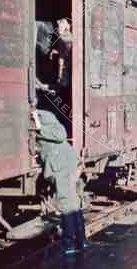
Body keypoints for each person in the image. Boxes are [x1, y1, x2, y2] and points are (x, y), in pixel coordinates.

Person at [31, 109, 89, 255]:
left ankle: (69, 244)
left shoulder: (47, 125)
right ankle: (82, 240)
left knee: (67, 206)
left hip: (61, 166)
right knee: (74, 205)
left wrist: (37, 123)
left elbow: (58, 135)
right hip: (67, 163)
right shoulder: (51, 123)